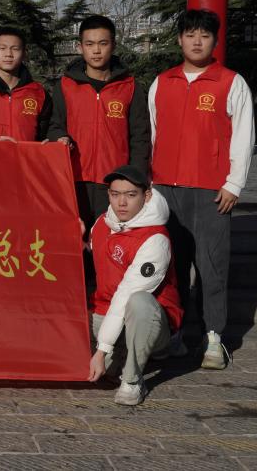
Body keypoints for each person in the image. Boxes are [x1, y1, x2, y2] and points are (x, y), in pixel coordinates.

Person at [148, 9, 254, 370]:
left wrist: (234, 184)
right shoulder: (162, 82)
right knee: (171, 265)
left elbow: (244, 138)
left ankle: (213, 337)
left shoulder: (231, 82)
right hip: (166, 189)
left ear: (215, 41)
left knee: (211, 266)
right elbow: (153, 134)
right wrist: (150, 185)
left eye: (204, 36)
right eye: (190, 34)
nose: (197, 41)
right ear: (179, 39)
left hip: (211, 191)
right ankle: (174, 333)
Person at [88, 165, 182, 406]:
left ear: (146, 196)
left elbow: (125, 295)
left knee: (138, 301)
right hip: (106, 313)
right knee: (85, 368)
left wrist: (101, 350)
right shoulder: (101, 224)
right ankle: (124, 353)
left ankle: (132, 380)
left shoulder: (155, 239)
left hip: (147, 319)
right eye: (115, 194)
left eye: (131, 195)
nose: (121, 203)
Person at [47, 15, 151, 231]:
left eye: (103, 43)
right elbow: (54, 125)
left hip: (115, 182)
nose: (96, 50)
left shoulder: (129, 86)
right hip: (74, 179)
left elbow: (140, 137)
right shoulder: (65, 85)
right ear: (79, 47)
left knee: (111, 241)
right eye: (89, 44)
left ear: (113, 45)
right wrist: (60, 137)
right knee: (76, 240)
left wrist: (134, 180)